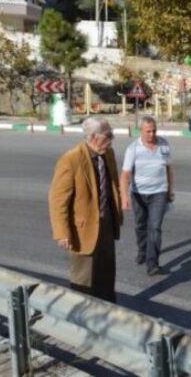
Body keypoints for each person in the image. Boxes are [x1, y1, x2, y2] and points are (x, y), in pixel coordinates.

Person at [49, 117, 122, 303]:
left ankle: (107, 315)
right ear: (93, 137)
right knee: (84, 280)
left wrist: (118, 210)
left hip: (106, 225)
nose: (111, 139)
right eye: (108, 135)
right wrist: (62, 232)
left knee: (106, 276)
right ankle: (83, 320)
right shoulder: (70, 160)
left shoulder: (108, 154)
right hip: (82, 230)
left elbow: (113, 184)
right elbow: (58, 200)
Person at [120, 116, 175, 276]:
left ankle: (152, 264)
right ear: (141, 131)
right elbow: (124, 175)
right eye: (148, 131)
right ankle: (142, 251)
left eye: (154, 131)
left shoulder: (164, 144)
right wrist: (124, 198)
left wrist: (170, 190)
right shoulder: (133, 149)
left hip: (159, 193)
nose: (152, 134)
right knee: (140, 226)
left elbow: (169, 169)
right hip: (138, 194)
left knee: (155, 228)